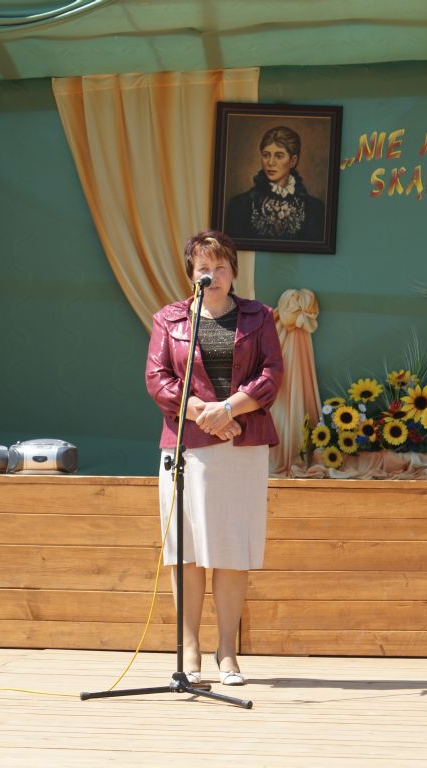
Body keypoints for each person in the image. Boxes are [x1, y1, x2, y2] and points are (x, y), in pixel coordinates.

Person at [145, 231, 283, 685]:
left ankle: (227, 650)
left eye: (220, 267)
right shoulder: (169, 319)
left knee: (231, 550)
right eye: (204, 268)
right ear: (192, 274)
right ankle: (189, 648)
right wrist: (205, 414)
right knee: (184, 549)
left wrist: (229, 410)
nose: (213, 275)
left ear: (233, 271)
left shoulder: (259, 316)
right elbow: (158, 379)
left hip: (241, 446)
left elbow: (271, 374)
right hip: (187, 447)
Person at [226, 125, 325, 242]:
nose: (270, 162)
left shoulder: (315, 208)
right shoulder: (239, 205)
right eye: (266, 155)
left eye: (279, 156)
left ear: (293, 161)